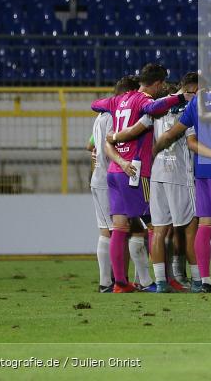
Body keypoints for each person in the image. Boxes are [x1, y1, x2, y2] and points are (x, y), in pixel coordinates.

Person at [91, 63, 191, 293]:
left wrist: (114, 108)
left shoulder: (119, 100)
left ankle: (120, 283)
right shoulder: (142, 101)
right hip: (137, 172)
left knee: (120, 226)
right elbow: (155, 107)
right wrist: (178, 98)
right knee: (158, 226)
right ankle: (163, 279)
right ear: (157, 84)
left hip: (115, 171)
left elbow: (95, 104)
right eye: (163, 84)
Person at [151, 58, 211, 293]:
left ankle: (204, 281)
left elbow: (176, 132)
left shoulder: (197, 101)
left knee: (205, 223)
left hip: (201, 169)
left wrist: (152, 151)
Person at [115, 73, 200, 294]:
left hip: (156, 174)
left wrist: (112, 138)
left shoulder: (152, 112)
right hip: (180, 175)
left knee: (159, 230)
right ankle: (199, 281)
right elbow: (191, 142)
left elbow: (133, 131)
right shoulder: (186, 110)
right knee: (189, 229)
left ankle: (161, 281)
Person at [87, 75, 140, 293]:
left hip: (98, 177)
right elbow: (113, 142)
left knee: (105, 231)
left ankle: (105, 282)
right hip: (113, 175)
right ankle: (122, 280)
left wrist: (96, 153)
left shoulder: (100, 116)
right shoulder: (115, 116)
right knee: (122, 230)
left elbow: (89, 144)